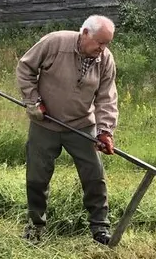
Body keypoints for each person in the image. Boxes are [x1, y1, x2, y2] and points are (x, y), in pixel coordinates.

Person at [16, 15, 118, 244]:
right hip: (45, 123)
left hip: (82, 125)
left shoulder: (105, 60)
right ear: (85, 34)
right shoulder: (55, 43)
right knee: (37, 178)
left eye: (106, 44)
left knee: (94, 176)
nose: (102, 49)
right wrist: (32, 101)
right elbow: (25, 68)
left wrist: (105, 131)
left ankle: (100, 228)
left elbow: (107, 98)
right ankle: (35, 226)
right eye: (99, 42)